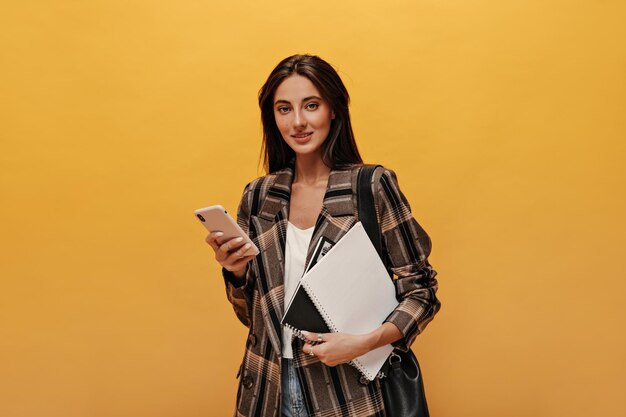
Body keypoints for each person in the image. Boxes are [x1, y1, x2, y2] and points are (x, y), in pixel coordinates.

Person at [204, 54, 441, 417]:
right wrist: (235, 272)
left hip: (347, 395)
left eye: (311, 105)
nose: (297, 121)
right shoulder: (259, 196)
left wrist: (361, 344)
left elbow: (421, 293)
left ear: (334, 109)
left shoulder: (371, 186)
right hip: (267, 391)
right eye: (284, 109)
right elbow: (251, 317)